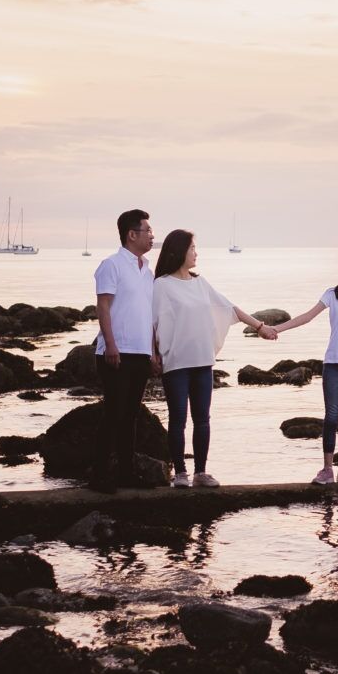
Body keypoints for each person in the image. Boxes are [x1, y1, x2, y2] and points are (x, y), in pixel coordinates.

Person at [151, 229, 277, 488]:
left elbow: (229, 308)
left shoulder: (200, 283)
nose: (196, 252)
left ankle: (201, 472)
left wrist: (260, 327)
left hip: (202, 361)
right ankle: (181, 474)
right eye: (193, 248)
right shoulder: (161, 285)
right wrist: (153, 354)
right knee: (177, 419)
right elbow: (152, 323)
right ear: (179, 251)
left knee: (203, 419)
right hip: (175, 362)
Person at [270, 245, 338, 485]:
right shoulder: (332, 294)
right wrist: (277, 328)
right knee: (331, 416)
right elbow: (306, 317)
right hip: (334, 364)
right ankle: (327, 469)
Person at [90, 208, 159, 492]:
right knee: (113, 413)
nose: (153, 236)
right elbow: (103, 306)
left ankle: (126, 474)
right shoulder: (112, 265)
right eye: (148, 231)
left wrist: (153, 352)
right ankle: (99, 476)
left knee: (131, 415)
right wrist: (111, 345)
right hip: (116, 352)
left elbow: (149, 314)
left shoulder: (148, 271)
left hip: (141, 352)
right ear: (132, 235)